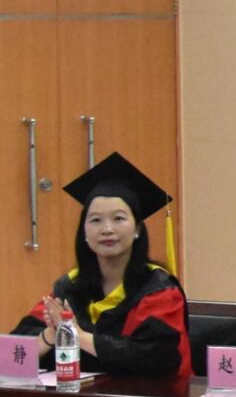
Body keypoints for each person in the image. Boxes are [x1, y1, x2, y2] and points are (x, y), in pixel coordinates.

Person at [11, 153, 189, 383]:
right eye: (95, 220)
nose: (107, 229)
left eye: (118, 219)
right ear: (84, 232)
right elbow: (14, 352)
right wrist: (50, 335)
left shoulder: (158, 291)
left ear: (137, 229)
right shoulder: (69, 288)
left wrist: (78, 336)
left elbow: (155, 358)